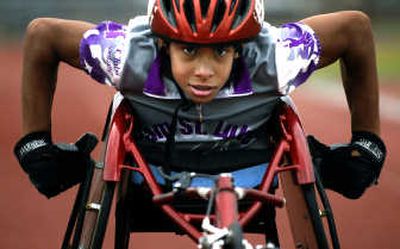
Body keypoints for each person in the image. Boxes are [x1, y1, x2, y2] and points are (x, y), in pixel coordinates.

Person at [14, 0, 386, 202]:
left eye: (220, 51)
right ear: (161, 43)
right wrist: (35, 145)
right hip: (152, 167)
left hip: (250, 165)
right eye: (189, 50)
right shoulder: (127, 54)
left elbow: (356, 28)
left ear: (242, 49)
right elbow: (41, 34)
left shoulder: (276, 56)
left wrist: (368, 143)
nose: (204, 71)